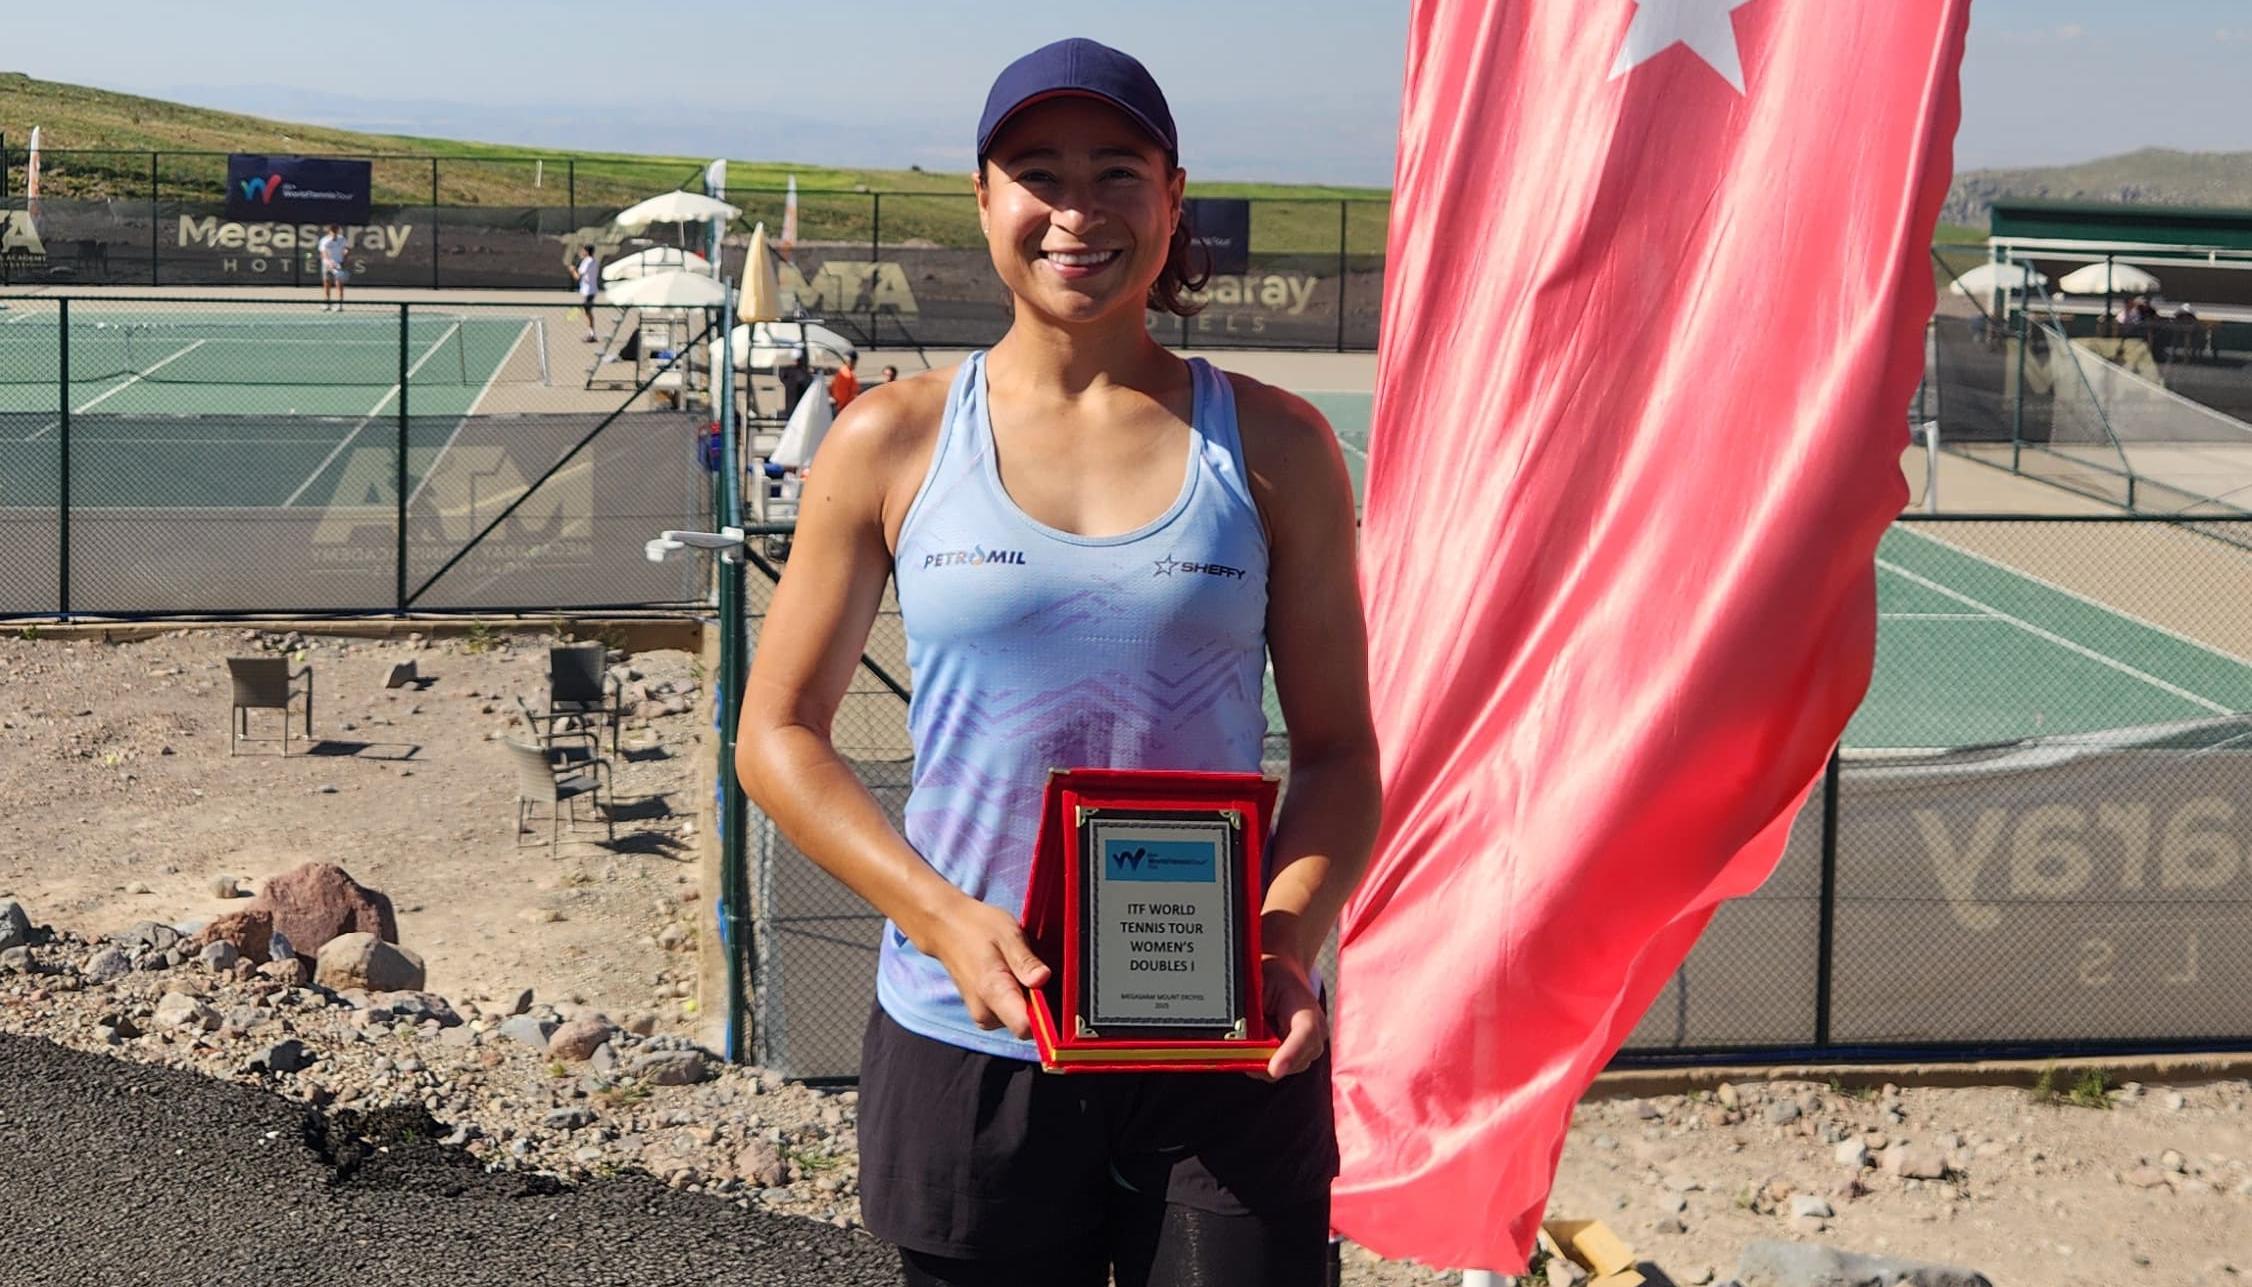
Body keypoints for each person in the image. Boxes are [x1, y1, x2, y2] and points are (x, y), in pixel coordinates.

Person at [734, 37, 1378, 1287]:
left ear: (1171, 197)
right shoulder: (889, 441)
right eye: (1037, 173)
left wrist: (1281, 945)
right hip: (971, 1034)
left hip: (1218, 1046)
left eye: (1114, 174)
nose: (1075, 213)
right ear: (982, 201)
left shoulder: (1278, 445)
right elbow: (777, 735)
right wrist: (943, 922)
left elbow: (1342, 752)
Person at [317, 224, 349, 312]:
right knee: (326, 283)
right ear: (330, 231)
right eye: (333, 230)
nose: (334, 232)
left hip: (338, 264)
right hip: (327, 265)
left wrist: (344, 256)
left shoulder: (342, 239)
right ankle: (326, 303)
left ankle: (339, 304)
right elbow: (323, 252)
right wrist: (328, 262)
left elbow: (346, 249)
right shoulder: (324, 240)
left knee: (339, 284)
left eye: (336, 230)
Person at [573, 244, 600, 341]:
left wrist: (572, 270)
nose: (581, 252)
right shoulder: (595, 261)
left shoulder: (586, 262)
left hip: (588, 291)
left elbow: (577, 276)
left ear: (587, 252)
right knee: (587, 312)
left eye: (583, 251)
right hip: (591, 290)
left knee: (588, 312)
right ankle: (591, 334)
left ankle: (592, 335)